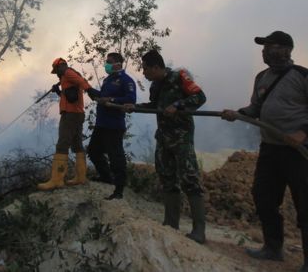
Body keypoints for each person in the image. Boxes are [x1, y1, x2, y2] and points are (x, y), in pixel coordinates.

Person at [221, 31, 308, 272]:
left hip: (301, 151)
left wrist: (303, 132)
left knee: (307, 203)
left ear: (286, 49)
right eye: (264, 47)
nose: (264, 51)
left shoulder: (303, 76)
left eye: (269, 46)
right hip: (271, 149)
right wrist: (238, 113)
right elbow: (256, 108)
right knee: (263, 197)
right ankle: (273, 248)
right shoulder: (262, 77)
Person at [124, 50, 207, 244]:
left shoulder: (180, 76)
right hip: (163, 138)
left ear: (155, 67)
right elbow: (154, 105)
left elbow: (200, 97)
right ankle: (171, 225)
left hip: (181, 137)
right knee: (167, 179)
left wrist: (178, 105)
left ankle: (199, 231)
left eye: (145, 68)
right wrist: (135, 107)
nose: (143, 72)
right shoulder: (156, 85)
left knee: (190, 179)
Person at [37, 58, 99, 191]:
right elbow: (70, 97)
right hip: (77, 114)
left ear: (61, 66)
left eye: (57, 70)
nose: (57, 74)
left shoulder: (68, 73)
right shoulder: (67, 76)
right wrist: (58, 91)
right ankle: (81, 177)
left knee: (62, 145)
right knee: (77, 145)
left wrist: (90, 90)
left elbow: (82, 82)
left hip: (70, 115)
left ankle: (57, 180)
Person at [87, 52, 136, 200]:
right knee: (93, 151)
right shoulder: (108, 79)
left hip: (114, 125)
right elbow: (102, 96)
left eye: (109, 62)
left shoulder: (126, 80)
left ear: (117, 63)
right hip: (101, 123)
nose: (106, 64)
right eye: (106, 61)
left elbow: (130, 98)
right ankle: (106, 177)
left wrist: (112, 99)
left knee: (116, 157)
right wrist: (87, 88)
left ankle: (119, 189)